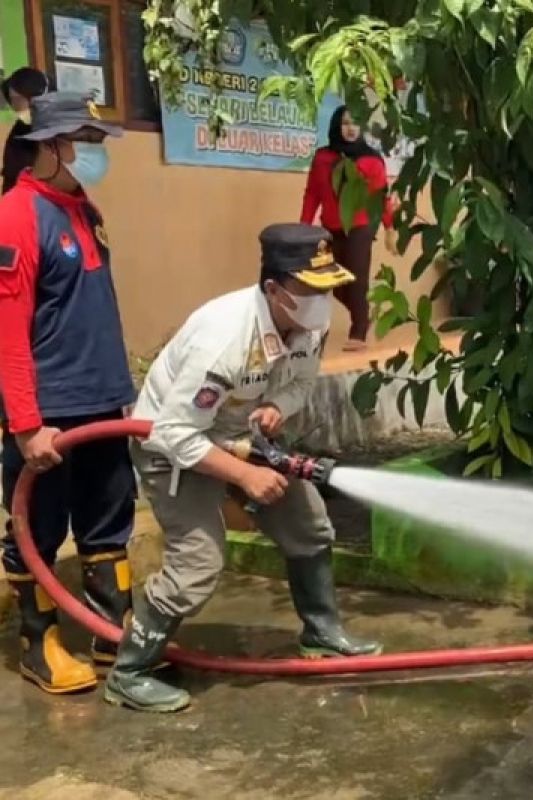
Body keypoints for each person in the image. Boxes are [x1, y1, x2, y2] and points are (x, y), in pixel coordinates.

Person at [105, 223, 382, 713]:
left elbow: (300, 382)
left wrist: (278, 404)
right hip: (172, 447)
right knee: (198, 564)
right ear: (274, 289)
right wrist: (245, 476)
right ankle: (129, 672)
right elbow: (174, 433)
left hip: (237, 435)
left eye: (329, 287)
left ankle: (322, 632)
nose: (324, 300)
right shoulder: (225, 337)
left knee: (309, 523)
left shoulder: (310, 324)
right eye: (311, 290)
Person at [0, 91, 136, 694]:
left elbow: (92, 311)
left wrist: (119, 392)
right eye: (83, 142)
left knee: (109, 524)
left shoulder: (84, 209)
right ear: (49, 145)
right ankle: (40, 642)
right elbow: (7, 329)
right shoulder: (16, 215)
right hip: (49, 418)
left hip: (101, 405)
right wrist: (26, 424)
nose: (92, 153)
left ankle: (113, 633)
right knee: (38, 527)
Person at [300, 106, 396, 352]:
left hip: (361, 226)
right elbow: (312, 194)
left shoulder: (372, 160)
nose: (351, 128)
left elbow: (380, 197)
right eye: (345, 123)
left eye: (356, 123)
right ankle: (362, 311)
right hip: (331, 227)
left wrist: (390, 229)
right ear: (336, 126)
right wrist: (303, 227)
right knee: (336, 282)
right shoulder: (323, 158)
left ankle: (359, 329)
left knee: (357, 278)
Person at [2, 67, 49, 193]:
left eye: (23, 100)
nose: (20, 106)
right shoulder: (20, 132)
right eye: (15, 101)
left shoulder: (55, 128)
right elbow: (11, 178)